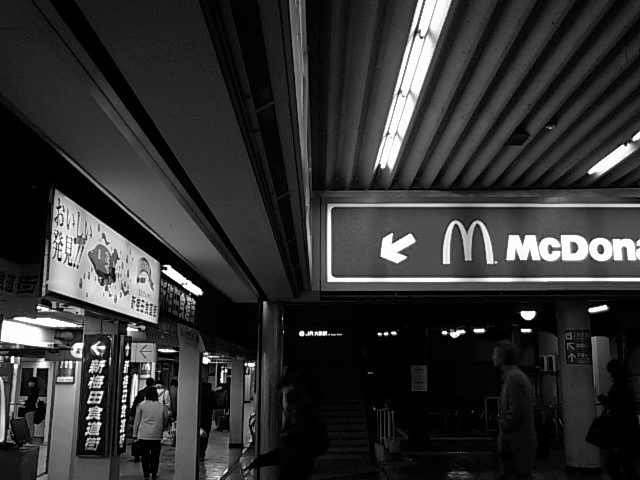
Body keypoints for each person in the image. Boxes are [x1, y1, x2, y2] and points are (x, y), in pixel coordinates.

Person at [246, 371, 328, 480]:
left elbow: (289, 448)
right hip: (297, 468)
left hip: (295, 469)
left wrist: (262, 460)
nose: (284, 402)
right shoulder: (303, 413)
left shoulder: (300, 416)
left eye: (284, 392)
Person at [492, 340, 537, 480]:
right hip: (518, 443)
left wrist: (504, 425)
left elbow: (517, 409)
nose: (492, 358)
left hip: (516, 444)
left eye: (495, 355)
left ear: (502, 357)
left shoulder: (513, 378)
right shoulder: (514, 376)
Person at [598, 359, 639, 480]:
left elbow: (619, 410)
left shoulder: (618, 388)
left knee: (614, 465)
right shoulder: (626, 387)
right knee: (627, 467)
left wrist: (605, 400)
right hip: (629, 433)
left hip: (622, 434)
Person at [133, 386, 168, 480]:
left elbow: (137, 421)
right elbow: (166, 418)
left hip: (144, 434)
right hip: (157, 434)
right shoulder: (161, 406)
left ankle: (146, 475)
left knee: (145, 456)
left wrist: (135, 434)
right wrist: (163, 427)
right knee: (155, 456)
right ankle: (154, 473)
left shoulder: (142, 405)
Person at [130, 377, 156, 462]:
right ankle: (145, 455)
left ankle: (137, 454)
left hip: (140, 416)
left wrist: (132, 414)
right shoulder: (153, 394)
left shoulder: (141, 392)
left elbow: (135, 403)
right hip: (148, 418)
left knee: (138, 437)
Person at [199, 382, 216, 461]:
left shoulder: (198, 393)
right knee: (205, 436)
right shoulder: (211, 394)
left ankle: (195, 452)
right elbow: (215, 405)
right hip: (207, 418)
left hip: (197, 418)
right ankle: (202, 454)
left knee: (197, 435)